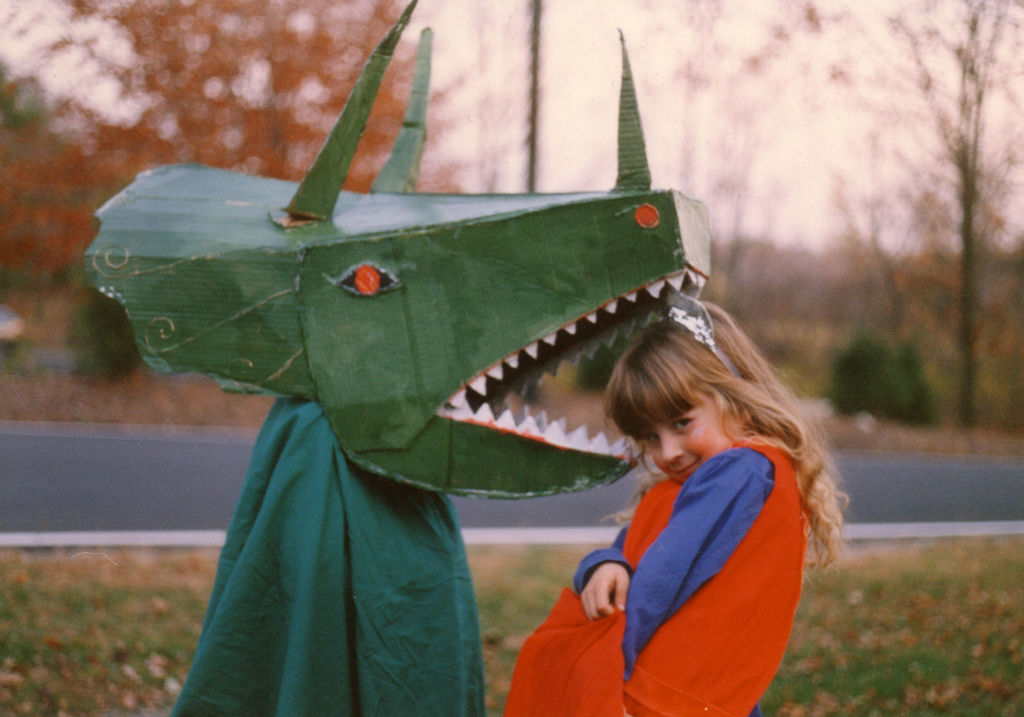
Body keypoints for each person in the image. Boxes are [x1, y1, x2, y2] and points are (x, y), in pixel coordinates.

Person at [503, 295, 846, 717]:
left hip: (658, 695)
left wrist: (611, 677)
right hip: (698, 693)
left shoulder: (740, 472)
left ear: (735, 396)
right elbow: (629, 554)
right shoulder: (703, 482)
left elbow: (661, 579)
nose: (668, 452)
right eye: (650, 437)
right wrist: (603, 565)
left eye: (682, 423)